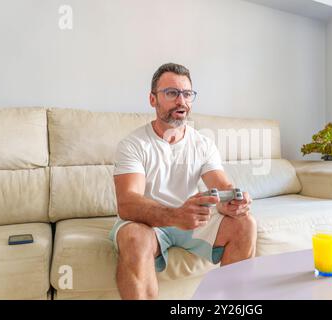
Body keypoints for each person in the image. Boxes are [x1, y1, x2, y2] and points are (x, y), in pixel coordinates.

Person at [109, 63, 257, 300]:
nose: (181, 101)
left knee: (245, 223)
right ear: (152, 99)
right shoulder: (133, 144)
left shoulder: (203, 143)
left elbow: (221, 185)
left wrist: (233, 200)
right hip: (148, 224)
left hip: (189, 220)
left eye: (187, 94)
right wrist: (175, 215)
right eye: (171, 93)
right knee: (134, 237)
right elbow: (127, 203)